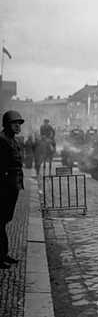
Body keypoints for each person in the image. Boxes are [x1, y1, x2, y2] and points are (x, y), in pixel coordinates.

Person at [0, 110, 24, 269]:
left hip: (12, 185)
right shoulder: (2, 141)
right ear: (7, 124)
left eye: (19, 124)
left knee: (4, 221)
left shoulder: (12, 140)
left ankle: (3, 254)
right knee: (0, 221)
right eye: (14, 123)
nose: (17, 126)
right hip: (4, 187)